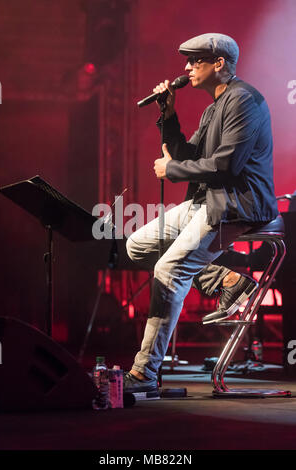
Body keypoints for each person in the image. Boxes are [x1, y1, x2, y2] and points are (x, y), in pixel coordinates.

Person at [124, 33, 278, 396]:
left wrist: (173, 170)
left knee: (169, 269)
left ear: (219, 63)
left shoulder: (245, 101)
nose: (186, 68)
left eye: (195, 61)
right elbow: (187, 153)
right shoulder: (214, 106)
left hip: (238, 203)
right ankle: (227, 281)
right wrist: (169, 113)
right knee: (136, 245)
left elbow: (225, 165)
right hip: (208, 201)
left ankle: (145, 372)